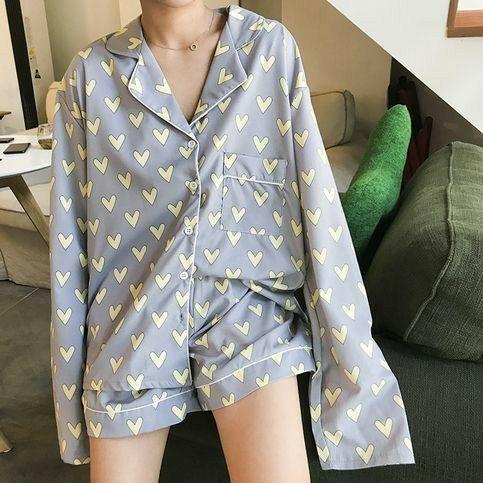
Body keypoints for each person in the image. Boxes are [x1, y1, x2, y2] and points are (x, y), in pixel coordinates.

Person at [49, 1, 416, 482]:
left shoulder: (267, 50)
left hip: (247, 316)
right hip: (132, 321)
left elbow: (317, 205)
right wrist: (70, 405)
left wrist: (348, 354)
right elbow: (69, 242)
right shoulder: (90, 76)